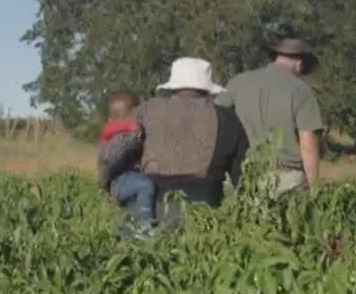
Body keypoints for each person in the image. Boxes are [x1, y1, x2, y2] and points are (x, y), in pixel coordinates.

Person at [134, 57, 246, 229]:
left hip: (151, 206)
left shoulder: (146, 110)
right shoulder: (227, 118)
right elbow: (241, 175)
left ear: (173, 86)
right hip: (204, 213)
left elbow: (121, 149)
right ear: (208, 90)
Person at [216, 38, 324, 197]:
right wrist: (315, 189)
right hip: (286, 178)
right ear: (299, 63)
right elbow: (307, 143)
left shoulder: (238, 82)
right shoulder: (301, 90)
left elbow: (215, 117)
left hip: (244, 176)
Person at [97, 91, 157, 240]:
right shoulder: (112, 129)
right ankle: (145, 227)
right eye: (132, 112)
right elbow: (107, 129)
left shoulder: (127, 131)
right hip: (119, 180)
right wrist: (130, 126)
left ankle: (125, 234)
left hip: (126, 179)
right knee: (146, 185)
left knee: (131, 209)